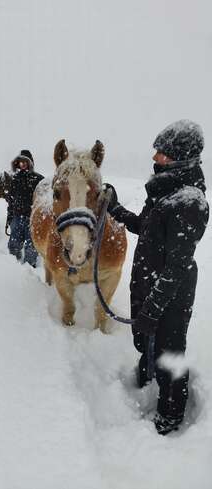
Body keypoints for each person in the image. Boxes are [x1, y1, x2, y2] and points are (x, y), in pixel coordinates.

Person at [105, 120, 209, 435]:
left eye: (162, 151)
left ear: (180, 156)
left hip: (171, 294)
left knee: (170, 354)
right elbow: (147, 230)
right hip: (150, 285)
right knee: (148, 343)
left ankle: (171, 413)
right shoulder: (166, 192)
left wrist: (154, 307)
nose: (155, 155)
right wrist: (117, 209)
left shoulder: (188, 201)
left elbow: (177, 265)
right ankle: (148, 376)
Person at [6, 150, 44, 267]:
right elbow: (11, 201)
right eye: (20, 162)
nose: (22, 164)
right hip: (17, 217)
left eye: (25, 162)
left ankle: (30, 268)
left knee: (31, 246)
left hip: (32, 218)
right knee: (14, 244)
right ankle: (14, 266)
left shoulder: (38, 179)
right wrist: (9, 218)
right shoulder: (14, 179)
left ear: (30, 163)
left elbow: (43, 200)